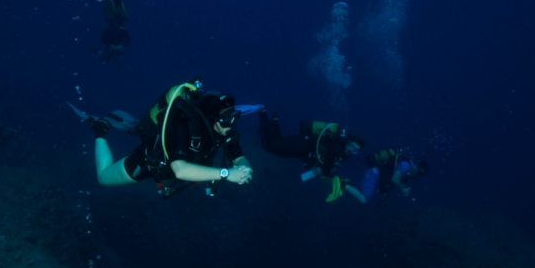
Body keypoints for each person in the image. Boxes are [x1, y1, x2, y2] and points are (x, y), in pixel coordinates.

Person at [85, 80, 253, 198]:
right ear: (212, 118)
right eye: (227, 118)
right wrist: (226, 174)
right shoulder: (182, 125)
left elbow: (240, 159)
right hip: (149, 163)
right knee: (103, 178)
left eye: (235, 117)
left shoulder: (224, 133)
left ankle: (135, 127)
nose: (233, 123)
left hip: (173, 173)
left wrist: (244, 170)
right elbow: (180, 170)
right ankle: (100, 130)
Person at [259, 110, 364, 201]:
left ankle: (274, 120)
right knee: (269, 146)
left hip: (303, 151)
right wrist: (323, 169)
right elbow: (329, 161)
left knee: (275, 145)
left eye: (355, 150)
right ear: (348, 142)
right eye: (352, 146)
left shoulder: (343, 153)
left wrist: (323, 169)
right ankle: (262, 112)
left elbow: (330, 165)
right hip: (302, 145)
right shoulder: (338, 147)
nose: (352, 150)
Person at [345, 148, 430, 206]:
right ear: (417, 166)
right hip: (373, 175)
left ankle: (349, 184)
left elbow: (396, 183)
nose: (417, 175)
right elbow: (394, 179)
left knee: (358, 200)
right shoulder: (406, 165)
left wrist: (402, 191)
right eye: (419, 173)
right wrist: (402, 189)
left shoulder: (406, 172)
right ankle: (344, 184)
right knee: (363, 199)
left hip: (375, 179)